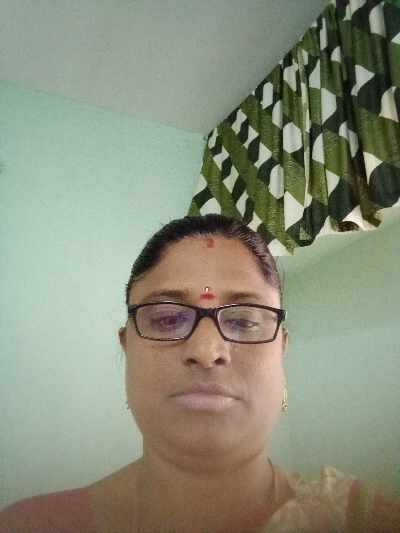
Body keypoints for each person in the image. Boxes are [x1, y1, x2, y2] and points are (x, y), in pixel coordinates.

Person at [0, 214, 399, 533]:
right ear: (127, 347)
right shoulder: (30, 526)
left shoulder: (366, 519)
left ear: (282, 350)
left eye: (244, 321)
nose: (207, 352)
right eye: (167, 318)